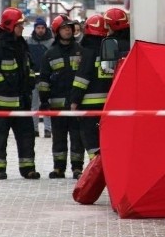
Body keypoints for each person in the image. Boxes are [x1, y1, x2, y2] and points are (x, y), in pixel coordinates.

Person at [0, 7, 40, 180]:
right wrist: (5, 87)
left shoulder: (21, 44)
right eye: (19, 25)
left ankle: (28, 168)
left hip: (22, 101)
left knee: (26, 136)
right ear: (10, 25)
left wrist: (30, 82)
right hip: (2, 102)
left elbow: (29, 67)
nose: (22, 28)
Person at [37, 15, 85, 179]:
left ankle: (77, 168)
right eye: (64, 28)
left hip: (76, 103)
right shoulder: (50, 54)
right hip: (57, 104)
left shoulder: (80, 50)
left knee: (77, 137)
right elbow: (43, 79)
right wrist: (44, 101)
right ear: (57, 31)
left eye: (69, 28)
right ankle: (59, 168)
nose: (67, 30)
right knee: (58, 138)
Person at [69, 14, 112, 162]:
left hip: (89, 105)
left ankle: (96, 166)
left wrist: (74, 101)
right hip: (109, 104)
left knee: (91, 139)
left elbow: (82, 79)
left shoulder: (88, 52)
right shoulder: (110, 50)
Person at [27, 17, 54, 138]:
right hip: (33, 79)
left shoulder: (51, 42)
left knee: (47, 104)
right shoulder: (29, 42)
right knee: (34, 105)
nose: (40, 30)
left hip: (48, 78)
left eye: (42, 28)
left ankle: (48, 129)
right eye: (38, 28)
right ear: (35, 28)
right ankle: (34, 129)